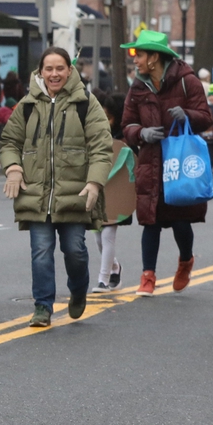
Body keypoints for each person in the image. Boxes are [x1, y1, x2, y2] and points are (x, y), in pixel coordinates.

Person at [0, 47, 113, 327]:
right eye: (48, 69)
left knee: (74, 250)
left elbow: (101, 146)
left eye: (59, 68)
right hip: (36, 195)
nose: (54, 74)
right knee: (40, 251)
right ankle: (43, 306)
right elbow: (9, 142)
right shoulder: (27, 105)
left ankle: (78, 290)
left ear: (70, 70)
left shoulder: (86, 102)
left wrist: (95, 182)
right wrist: (13, 168)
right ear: (40, 72)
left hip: (76, 195)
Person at [119, 30, 212, 297]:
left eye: (139, 54)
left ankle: (185, 260)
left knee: (181, 219)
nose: (134, 59)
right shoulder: (137, 87)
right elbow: (127, 124)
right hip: (150, 161)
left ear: (154, 57)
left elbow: (205, 118)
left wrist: (187, 116)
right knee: (151, 220)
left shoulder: (187, 81)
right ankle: (148, 276)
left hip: (179, 161)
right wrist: (141, 133)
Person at [92, 90, 132, 292]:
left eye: (108, 117)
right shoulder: (96, 134)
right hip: (99, 191)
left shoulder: (124, 138)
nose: (105, 121)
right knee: (99, 238)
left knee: (107, 235)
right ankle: (115, 267)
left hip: (118, 192)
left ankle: (103, 279)